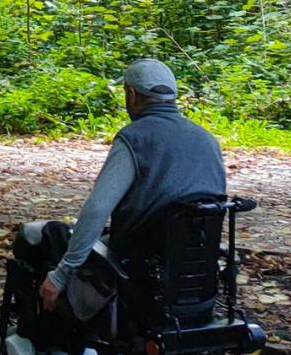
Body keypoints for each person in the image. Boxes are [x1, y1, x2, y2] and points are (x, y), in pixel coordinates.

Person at [37, 59, 226, 323]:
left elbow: (97, 209)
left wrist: (60, 274)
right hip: (195, 268)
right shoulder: (208, 140)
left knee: (48, 237)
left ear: (132, 95)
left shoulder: (134, 138)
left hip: (138, 264)